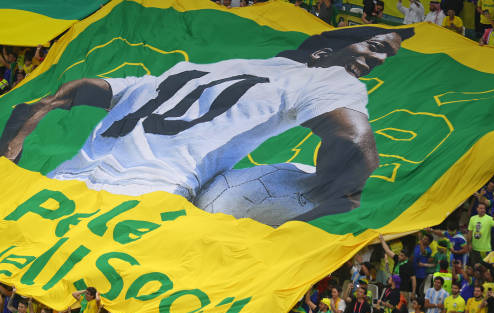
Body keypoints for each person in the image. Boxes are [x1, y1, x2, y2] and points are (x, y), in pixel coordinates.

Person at [0, 27, 415, 227]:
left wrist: (28, 123)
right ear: (324, 51)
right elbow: (356, 144)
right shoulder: (328, 78)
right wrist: (333, 196)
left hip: (57, 189)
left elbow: (79, 91)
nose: (377, 61)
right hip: (143, 204)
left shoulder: (193, 68)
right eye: (376, 49)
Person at [380, 235, 416, 301]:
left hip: (403, 291)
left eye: (402, 256)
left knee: (401, 308)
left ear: (406, 257)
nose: (399, 256)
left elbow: (413, 279)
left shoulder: (409, 265)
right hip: (394, 288)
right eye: (399, 254)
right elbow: (387, 250)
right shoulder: (397, 259)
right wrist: (382, 240)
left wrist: (413, 292)